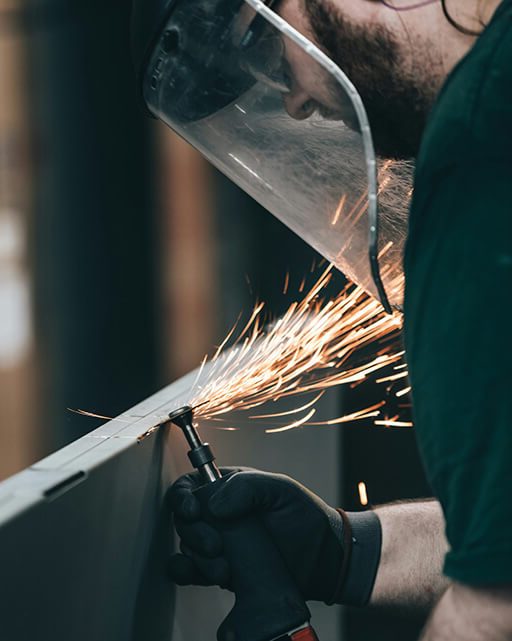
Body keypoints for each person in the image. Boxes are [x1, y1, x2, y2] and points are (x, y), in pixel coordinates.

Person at [142, 0, 512, 637]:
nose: (294, 105)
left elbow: (493, 613)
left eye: (263, 46)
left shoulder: (481, 156)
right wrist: (351, 553)